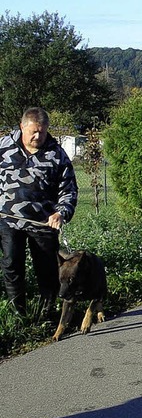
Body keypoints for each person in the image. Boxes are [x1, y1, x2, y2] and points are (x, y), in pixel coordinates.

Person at [0, 107, 78, 317]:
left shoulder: (57, 154)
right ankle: (19, 313)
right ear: (21, 127)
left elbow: (69, 189)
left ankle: (47, 314)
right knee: (11, 265)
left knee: (47, 269)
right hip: (8, 220)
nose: (37, 136)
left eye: (42, 132)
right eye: (33, 131)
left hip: (43, 222)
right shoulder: (4, 147)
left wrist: (61, 212)